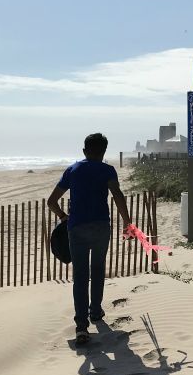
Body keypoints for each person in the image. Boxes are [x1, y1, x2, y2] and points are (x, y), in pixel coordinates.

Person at [47, 133, 132, 346]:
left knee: (80, 275)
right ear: (103, 152)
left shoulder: (73, 170)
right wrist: (127, 222)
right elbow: (118, 195)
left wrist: (63, 217)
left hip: (77, 228)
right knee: (97, 270)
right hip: (101, 226)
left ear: (84, 151)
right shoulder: (107, 170)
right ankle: (95, 312)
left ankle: (81, 326)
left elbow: (51, 201)